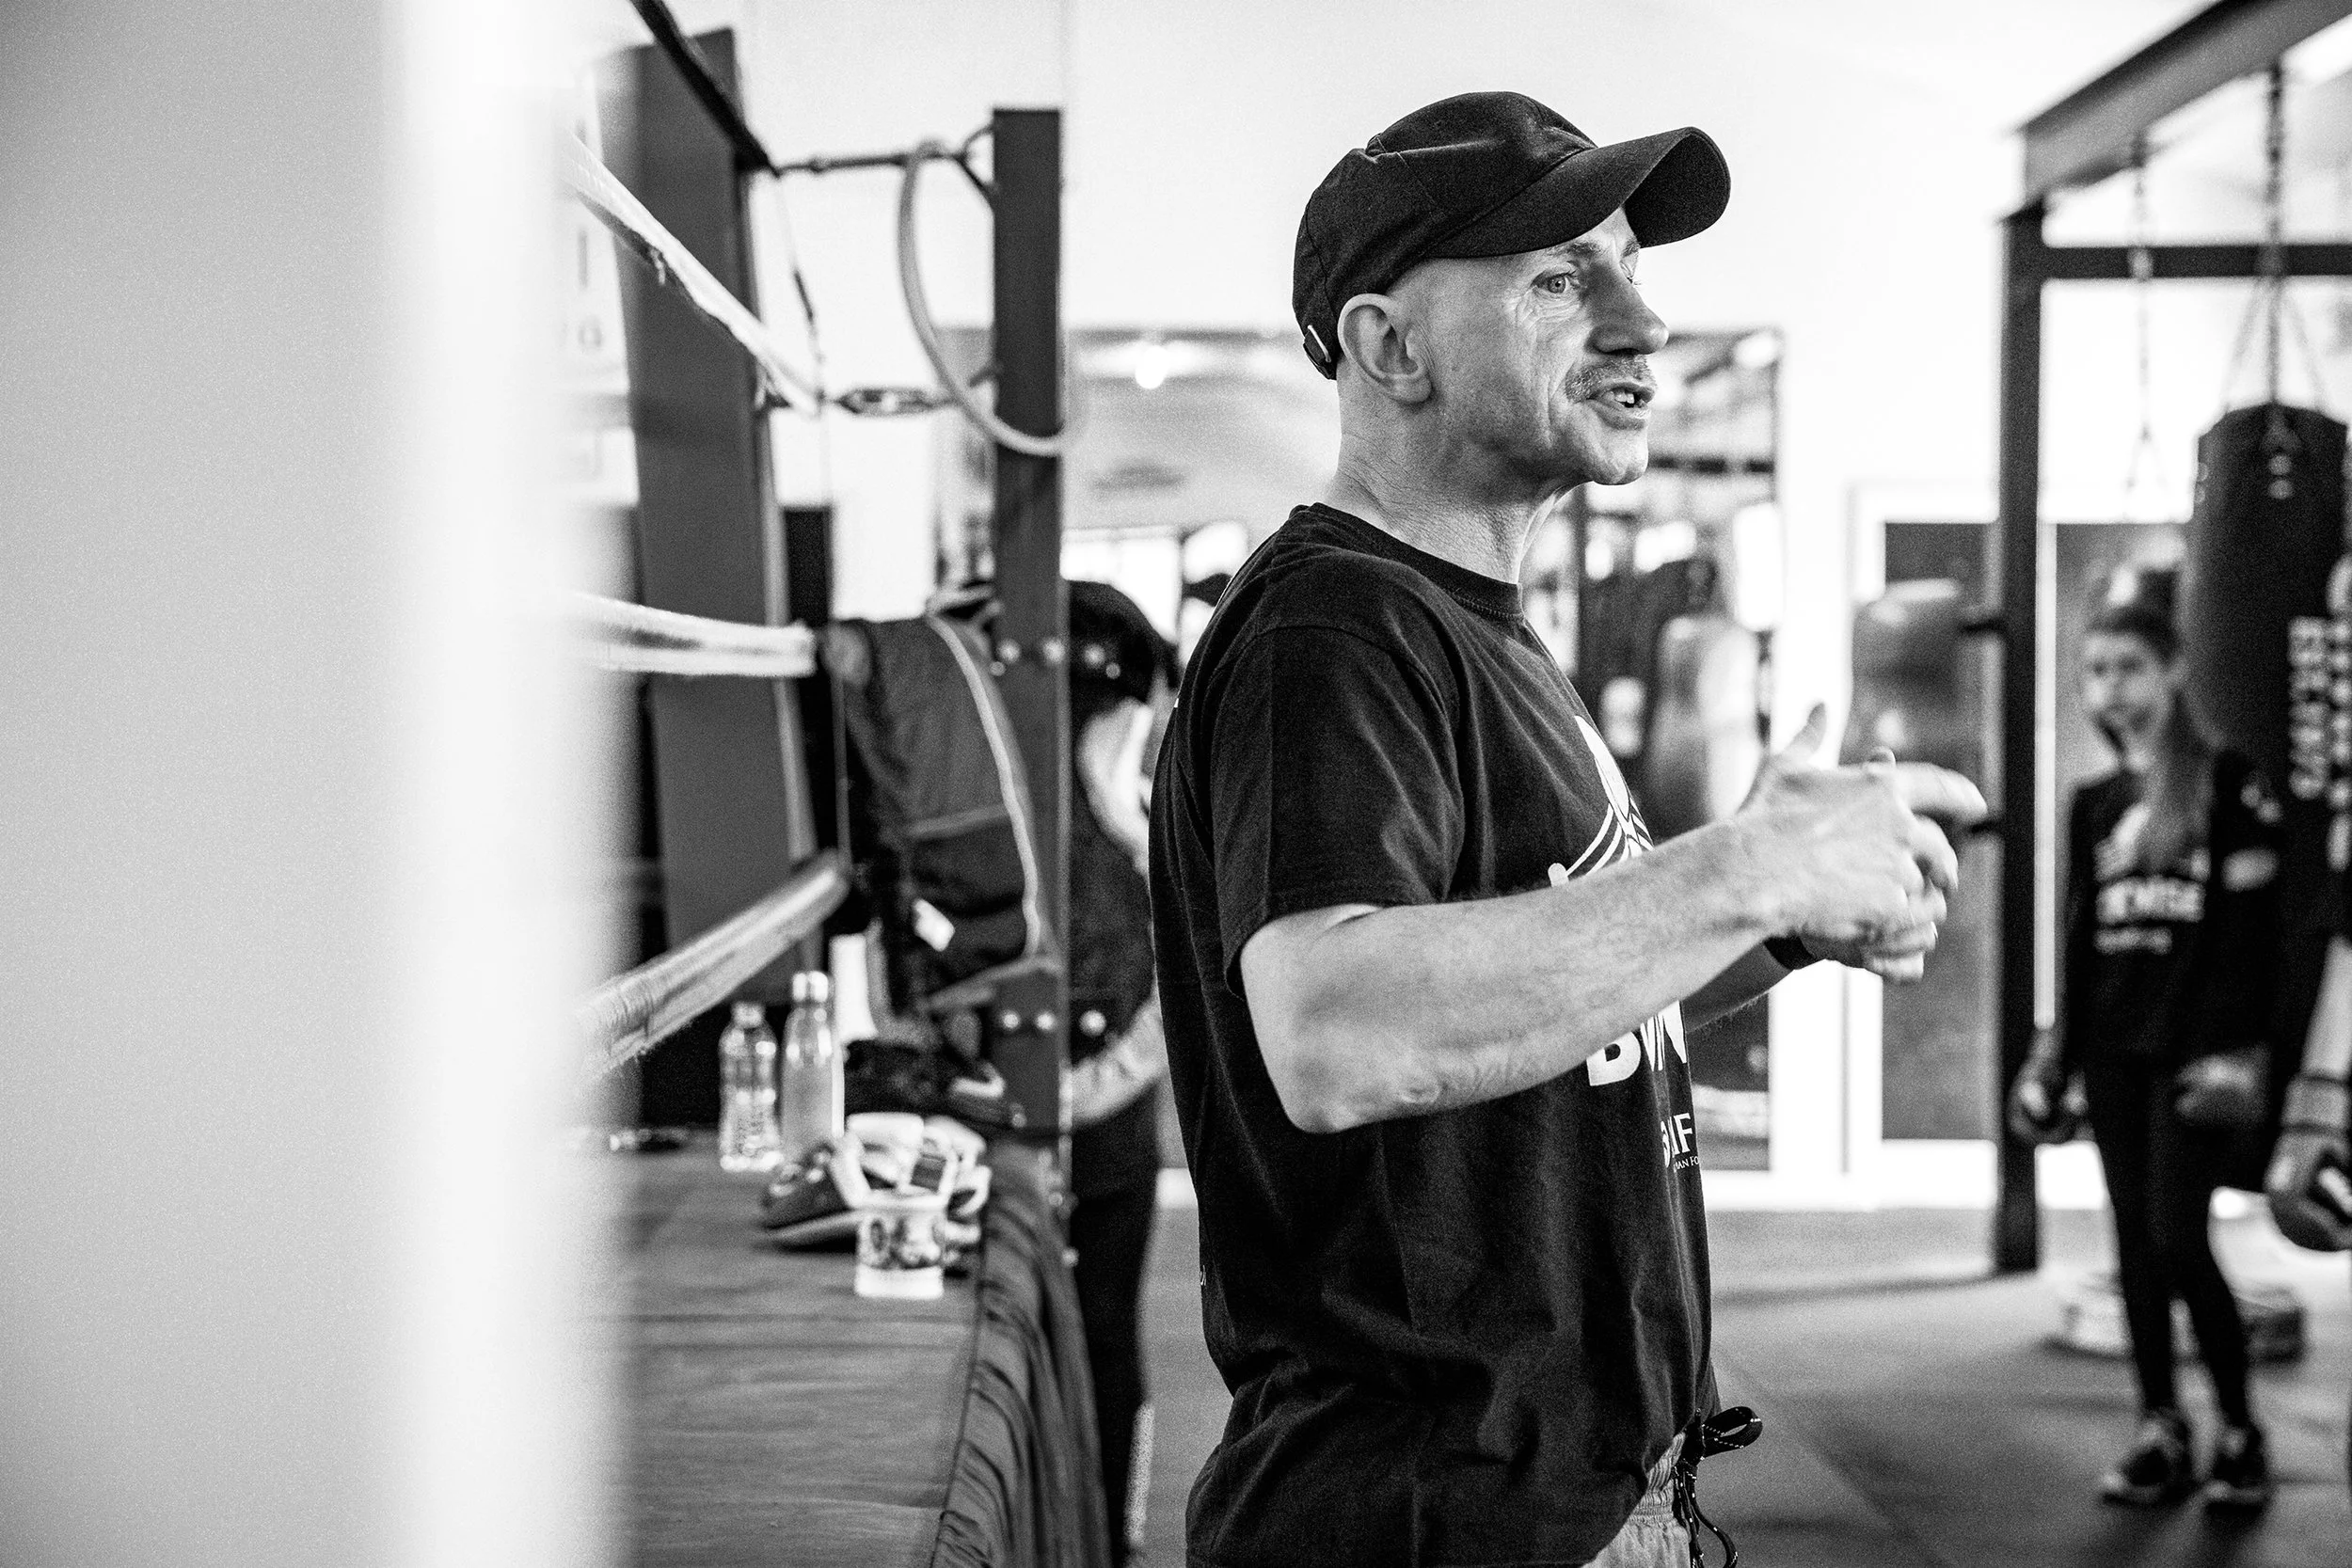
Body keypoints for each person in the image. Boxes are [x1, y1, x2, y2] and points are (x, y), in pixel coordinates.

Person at [1148, 92, 1984, 1568]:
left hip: (1577, 1503)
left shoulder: (1474, 631)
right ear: (1388, 346)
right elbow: (1338, 1028)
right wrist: (1737, 864)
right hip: (1433, 1518)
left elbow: (1567, 1011)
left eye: (1630, 269)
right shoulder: (1333, 630)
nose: (1643, 323)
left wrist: (1769, 921)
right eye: (1559, 278)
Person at [2009, 568, 2283, 1511]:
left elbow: (2255, 940)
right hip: (2115, 1053)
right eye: (2093, 670)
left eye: (2127, 666)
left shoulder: (2228, 782)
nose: (2108, 687)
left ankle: (2241, 1430)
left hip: (2194, 1052)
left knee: (2176, 1237)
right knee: (2132, 1240)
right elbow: (2082, 940)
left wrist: (2240, 1051)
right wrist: (2056, 1055)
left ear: (2171, 671)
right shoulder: (2094, 803)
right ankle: (2161, 1425)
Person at [1062, 579, 1180, 1564]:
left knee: (1102, 1332)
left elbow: (1186, 972)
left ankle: (1109, 1540)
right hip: (996, 1119)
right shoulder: (988, 814)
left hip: (1103, 1121)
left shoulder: (1133, 818)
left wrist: (1097, 1083)